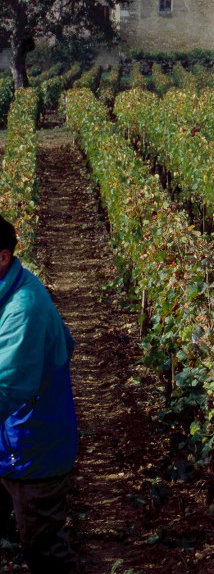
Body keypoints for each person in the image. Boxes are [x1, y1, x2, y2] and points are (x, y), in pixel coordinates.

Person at [0, 216, 78, 573]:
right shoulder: (11, 289)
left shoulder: (24, 308)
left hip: (33, 450)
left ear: (2, 257)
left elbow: (7, 388)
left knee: (43, 551)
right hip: (13, 443)